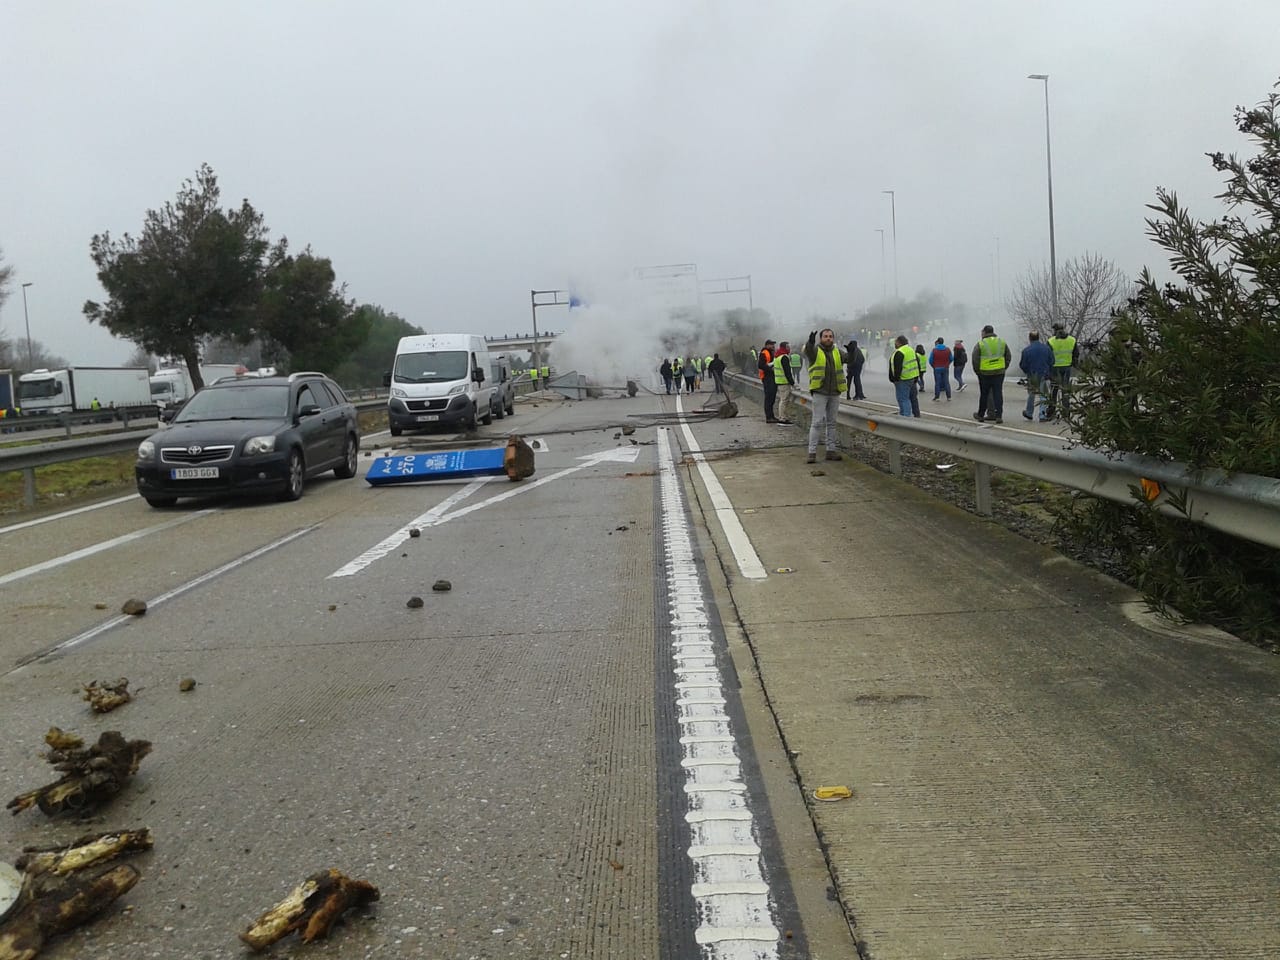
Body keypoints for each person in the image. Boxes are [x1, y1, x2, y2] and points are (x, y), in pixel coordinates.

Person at [803, 328, 846, 462]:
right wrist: (810, 342)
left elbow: (850, 359)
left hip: (834, 392)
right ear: (821, 338)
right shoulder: (816, 351)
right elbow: (808, 351)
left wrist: (854, 351)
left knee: (832, 423)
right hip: (820, 392)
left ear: (833, 338)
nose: (828, 338)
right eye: (825, 336)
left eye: (830, 336)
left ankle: (830, 451)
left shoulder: (837, 352)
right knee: (816, 423)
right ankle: (812, 453)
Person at [971, 324, 1011, 424]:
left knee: (984, 394)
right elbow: (1008, 356)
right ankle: (999, 416)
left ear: (984, 332)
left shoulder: (980, 343)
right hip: (999, 372)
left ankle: (981, 415)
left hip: (985, 373)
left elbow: (975, 359)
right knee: (998, 393)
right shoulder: (1001, 342)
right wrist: (1004, 367)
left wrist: (978, 372)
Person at [1045, 323, 1080, 420]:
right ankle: (1066, 413)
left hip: (1055, 368)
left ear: (1055, 330)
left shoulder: (1051, 341)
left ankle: (1051, 412)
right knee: (1065, 390)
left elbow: (1047, 356)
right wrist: (1073, 362)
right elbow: (1076, 354)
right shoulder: (1072, 340)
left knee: (1053, 391)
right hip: (1067, 367)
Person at [1019, 331, 1055, 421]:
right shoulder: (1046, 349)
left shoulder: (1026, 350)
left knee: (1031, 395)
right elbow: (1052, 361)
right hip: (1044, 374)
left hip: (1032, 376)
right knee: (1044, 395)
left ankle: (1029, 412)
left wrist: (1028, 372)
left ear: (1029, 338)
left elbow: (1023, 365)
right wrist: (1048, 371)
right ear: (1038, 337)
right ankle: (1042, 415)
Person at [888, 334, 922, 417]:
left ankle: (906, 417)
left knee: (903, 399)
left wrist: (895, 379)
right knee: (913, 398)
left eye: (896, 342)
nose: (895, 344)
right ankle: (916, 415)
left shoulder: (900, 352)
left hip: (903, 380)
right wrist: (917, 377)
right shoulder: (911, 350)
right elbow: (917, 364)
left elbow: (897, 368)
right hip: (912, 378)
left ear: (899, 343)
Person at [770, 341, 796, 424]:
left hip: (779, 381)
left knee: (782, 400)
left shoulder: (777, 356)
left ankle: (783, 416)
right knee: (784, 401)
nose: (789, 348)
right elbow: (787, 372)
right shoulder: (784, 357)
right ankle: (783, 418)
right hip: (784, 382)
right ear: (784, 348)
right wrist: (793, 383)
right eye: (788, 347)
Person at [759, 339, 778, 422]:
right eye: (771, 344)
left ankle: (771, 416)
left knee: (772, 398)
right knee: (769, 398)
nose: (773, 346)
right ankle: (769, 417)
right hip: (767, 377)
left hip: (771, 377)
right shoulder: (764, 353)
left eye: (773, 344)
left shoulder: (771, 352)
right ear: (767, 345)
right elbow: (760, 365)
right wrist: (771, 369)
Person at [928, 337, 952, 401]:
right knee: (946, 382)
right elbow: (951, 358)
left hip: (937, 368)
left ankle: (937, 397)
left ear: (938, 342)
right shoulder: (948, 349)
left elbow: (930, 360)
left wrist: (934, 366)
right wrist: (947, 364)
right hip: (945, 368)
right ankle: (949, 397)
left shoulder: (934, 350)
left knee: (937, 383)